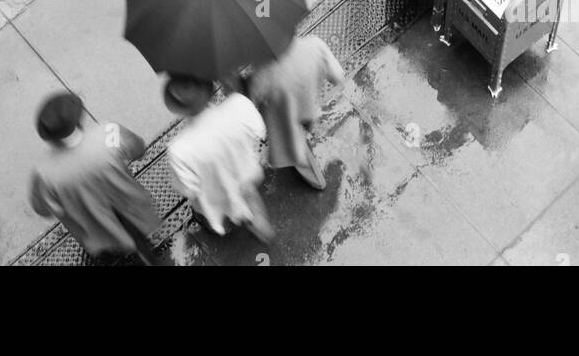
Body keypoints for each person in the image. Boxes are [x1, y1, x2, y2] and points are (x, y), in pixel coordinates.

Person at [28, 92, 161, 265]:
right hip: (133, 211)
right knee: (140, 242)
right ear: (78, 120)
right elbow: (139, 149)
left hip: (94, 231)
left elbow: (42, 209)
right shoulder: (108, 133)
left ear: (50, 137)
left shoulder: (44, 174)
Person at [164, 75, 272, 243]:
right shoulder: (239, 104)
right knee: (249, 197)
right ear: (211, 89)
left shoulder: (179, 150)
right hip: (247, 174)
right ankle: (259, 223)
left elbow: (188, 189)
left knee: (217, 212)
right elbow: (260, 132)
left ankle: (226, 227)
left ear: (178, 109)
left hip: (216, 195)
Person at [248, 36, 344, 190]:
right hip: (310, 110)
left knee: (296, 147)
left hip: (285, 119)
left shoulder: (263, 73)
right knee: (303, 136)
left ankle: (315, 179)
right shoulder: (315, 45)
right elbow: (338, 77)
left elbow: (249, 103)